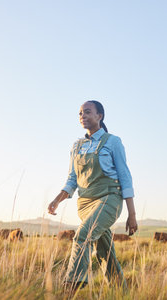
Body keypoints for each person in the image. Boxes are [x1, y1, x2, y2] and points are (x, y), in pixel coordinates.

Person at [48, 100, 137, 291]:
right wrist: (57, 200)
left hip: (109, 199)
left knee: (83, 236)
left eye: (87, 112)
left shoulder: (113, 142)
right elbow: (72, 180)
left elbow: (125, 177)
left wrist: (132, 214)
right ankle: (121, 293)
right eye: (80, 113)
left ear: (100, 116)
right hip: (85, 204)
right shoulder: (77, 146)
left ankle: (70, 286)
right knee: (105, 252)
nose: (82, 116)